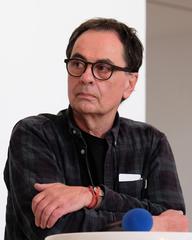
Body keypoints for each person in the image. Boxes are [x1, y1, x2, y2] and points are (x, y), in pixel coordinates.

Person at [4, 18, 188, 240]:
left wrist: (92, 197)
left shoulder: (151, 142)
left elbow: (174, 227)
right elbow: (55, 229)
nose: (85, 77)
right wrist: (144, 222)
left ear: (130, 84)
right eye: (78, 64)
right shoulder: (34, 134)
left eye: (102, 68)